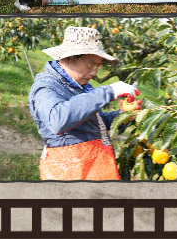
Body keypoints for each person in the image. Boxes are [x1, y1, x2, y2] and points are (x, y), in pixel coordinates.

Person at [29, 26, 141, 180]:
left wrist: (124, 116)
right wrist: (107, 91)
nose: (94, 72)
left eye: (97, 66)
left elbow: (95, 122)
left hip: (92, 169)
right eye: (90, 65)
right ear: (68, 57)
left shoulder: (79, 86)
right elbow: (57, 120)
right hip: (69, 174)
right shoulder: (46, 87)